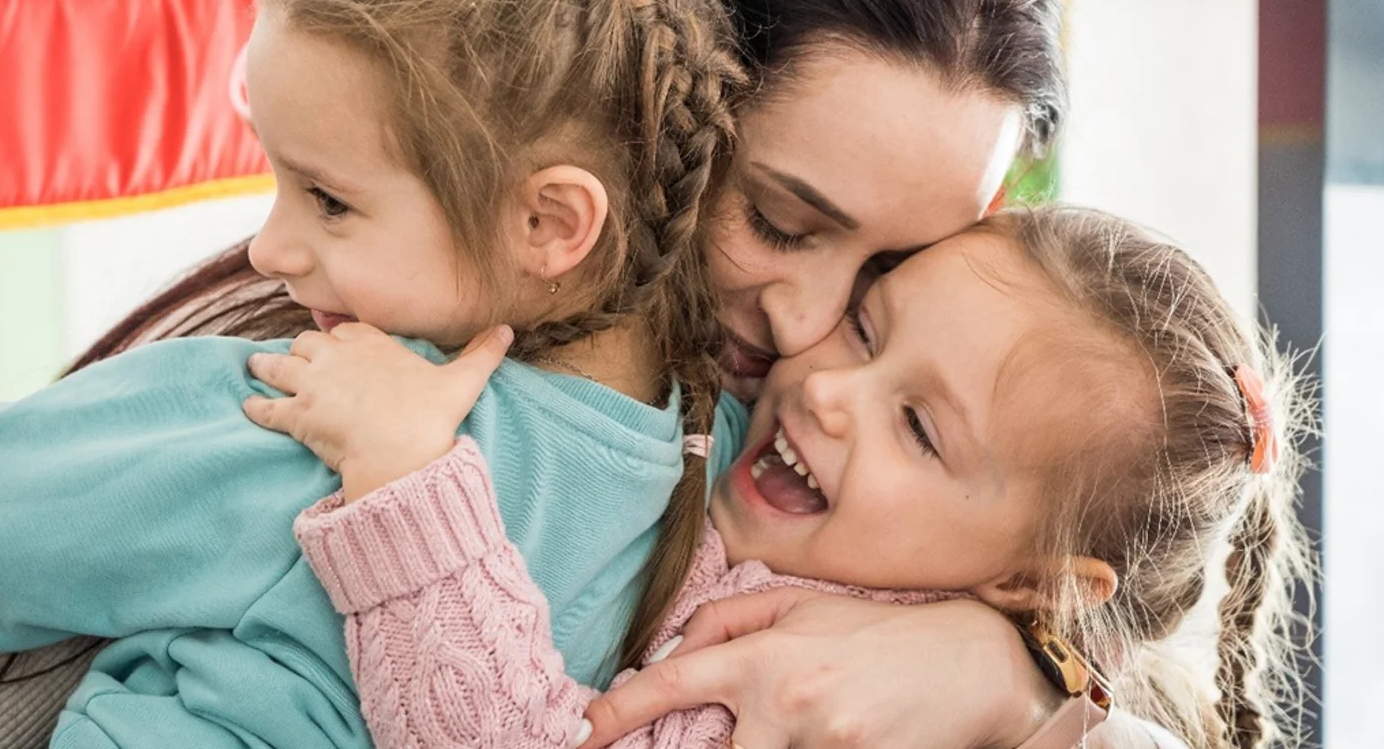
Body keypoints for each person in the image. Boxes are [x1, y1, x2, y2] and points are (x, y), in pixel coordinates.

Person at [0, 0, 1113, 746]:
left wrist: (1011, 673)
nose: (814, 334)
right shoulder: (350, 375)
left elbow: (1150, 602)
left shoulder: (868, 485)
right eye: (774, 220)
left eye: (889, 270)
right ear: (644, 125)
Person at [284, 207, 1311, 749]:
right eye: (867, 324)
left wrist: (407, 483)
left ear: (1033, 582)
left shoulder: (814, 690)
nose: (830, 389)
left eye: (917, 425)